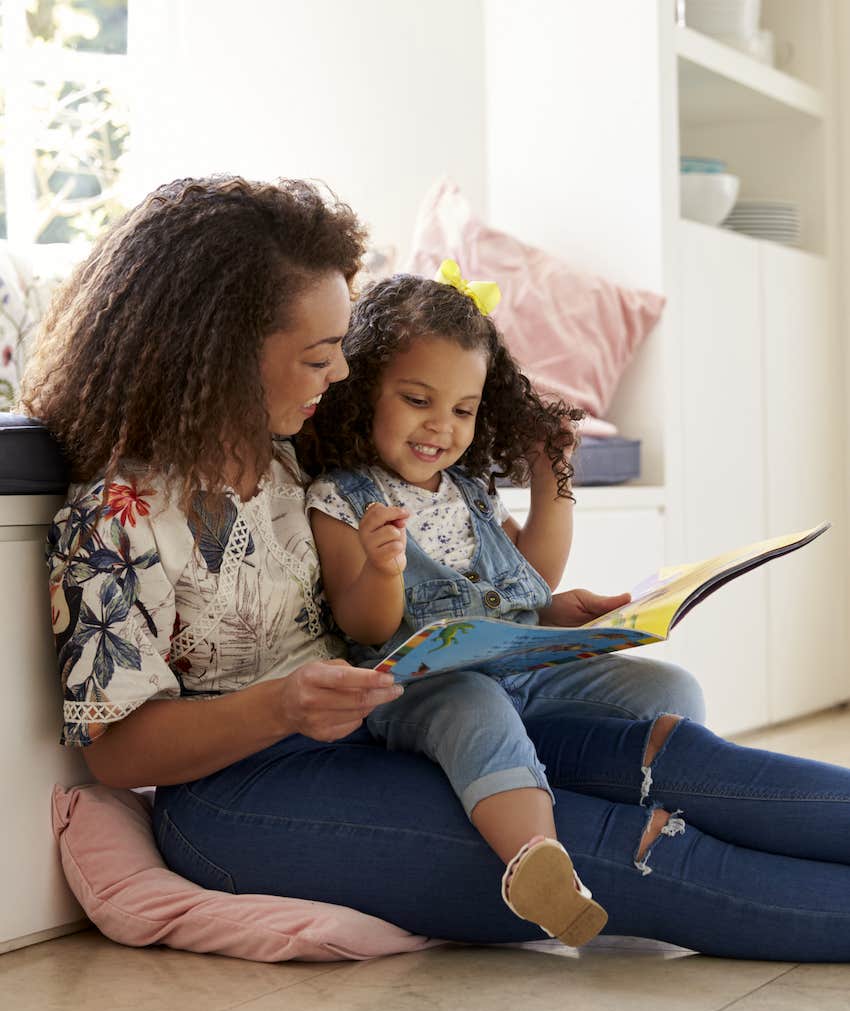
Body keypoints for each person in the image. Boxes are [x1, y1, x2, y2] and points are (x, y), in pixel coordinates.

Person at [22, 175, 850, 963]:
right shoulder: (114, 521)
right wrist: (282, 705)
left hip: (393, 726)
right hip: (244, 797)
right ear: (222, 352)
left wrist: (543, 623)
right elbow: (119, 754)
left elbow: (433, 561)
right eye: (320, 356)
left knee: (680, 761)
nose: (342, 374)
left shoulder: (297, 465)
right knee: (630, 852)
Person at [301, 265, 614, 946]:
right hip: (416, 691)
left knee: (659, 684)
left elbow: (525, 576)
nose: (441, 427)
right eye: (418, 399)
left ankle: (622, 783)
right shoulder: (342, 497)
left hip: (514, 667)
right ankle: (538, 865)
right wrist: (383, 568)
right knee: (473, 704)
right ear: (361, 392)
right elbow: (365, 626)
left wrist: (550, 478)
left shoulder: (467, 490)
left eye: (463, 410)